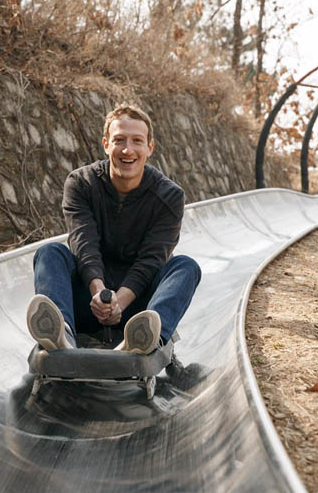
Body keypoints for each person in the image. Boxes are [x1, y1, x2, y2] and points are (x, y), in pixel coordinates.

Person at [26, 104, 201, 354]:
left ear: (149, 148)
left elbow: (152, 259)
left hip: (137, 309)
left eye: (137, 141)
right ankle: (60, 333)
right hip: (89, 297)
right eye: (119, 140)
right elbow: (83, 243)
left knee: (186, 267)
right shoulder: (81, 184)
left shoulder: (169, 196)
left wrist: (119, 301)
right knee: (50, 253)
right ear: (106, 144)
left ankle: (147, 339)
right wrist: (100, 295)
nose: (127, 150)